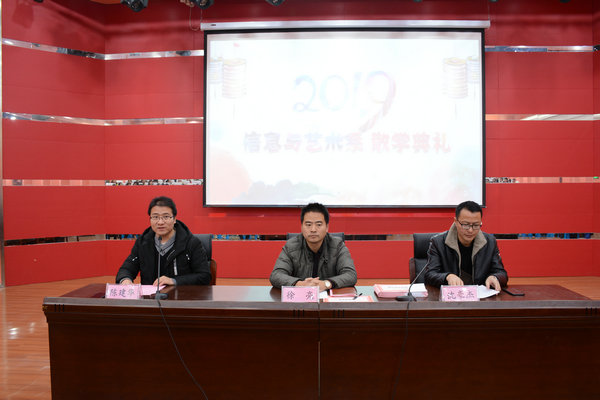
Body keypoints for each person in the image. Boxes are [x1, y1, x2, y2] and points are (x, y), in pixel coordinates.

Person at [116, 196, 211, 286]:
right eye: (155, 217)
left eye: (166, 217)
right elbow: (126, 269)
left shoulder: (191, 243)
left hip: (181, 295)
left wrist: (174, 281)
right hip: (150, 296)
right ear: (150, 219)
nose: (160, 222)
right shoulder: (142, 242)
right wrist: (125, 280)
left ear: (174, 219)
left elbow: (204, 276)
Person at [270, 202, 357, 291]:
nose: (313, 229)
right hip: (300, 298)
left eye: (318, 224)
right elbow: (276, 275)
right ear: (301, 227)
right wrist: (300, 284)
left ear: (327, 227)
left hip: (328, 297)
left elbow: (351, 275)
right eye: (308, 225)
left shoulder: (337, 246)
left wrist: (326, 284)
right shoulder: (291, 246)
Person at [424, 200, 508, 290]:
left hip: (480, 296)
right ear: (456, 222)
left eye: (476, 225)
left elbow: (501, 273)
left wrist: (495, 277)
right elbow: (430, 275)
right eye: (465, 225)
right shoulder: (438, 242)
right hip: (451, 296)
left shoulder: (490, 242)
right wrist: (447, 276)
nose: (470, 230)